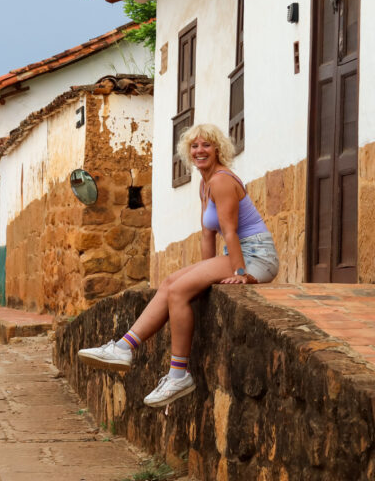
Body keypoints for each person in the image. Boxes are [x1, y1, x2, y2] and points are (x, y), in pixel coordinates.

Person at [77, 123, 279, 407]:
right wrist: (203, 275)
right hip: (239, 253)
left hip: (256, 256)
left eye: (206, 145)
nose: (199, 151)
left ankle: (178, 374)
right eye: (194, 146)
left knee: (179, 290)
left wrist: (240, 274)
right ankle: (124, 347)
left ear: (218, 149)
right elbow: (207, 234)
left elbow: (230, 231)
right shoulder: (205, 184)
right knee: (171, 282)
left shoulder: (221, 181)